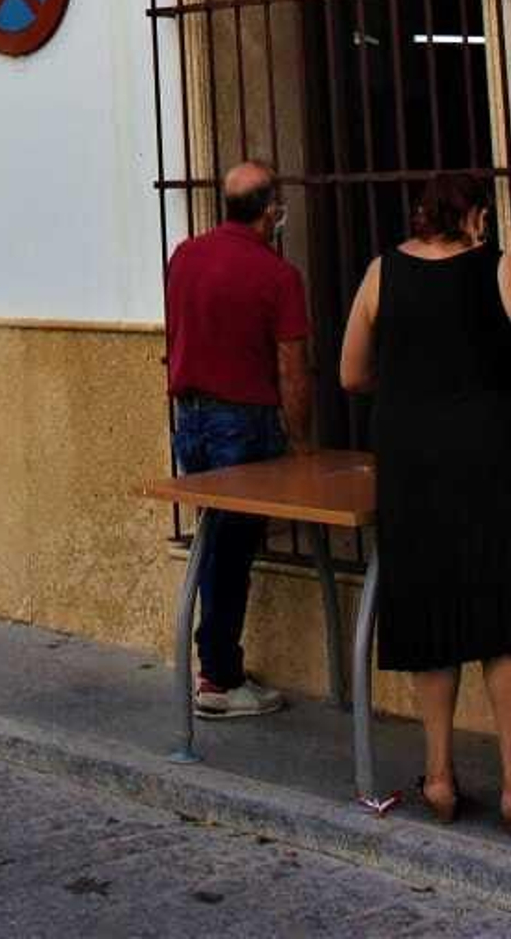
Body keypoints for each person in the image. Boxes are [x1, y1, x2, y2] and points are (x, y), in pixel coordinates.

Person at [339, 171, 511, 834]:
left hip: (415, 465)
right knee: (507, 617)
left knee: (432, 615)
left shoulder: (382, 273)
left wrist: (417, 385)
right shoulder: (505, 271)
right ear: (475, 216)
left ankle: (439, 779)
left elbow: (352, 373)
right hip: (500, 462)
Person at [165, 160, 313, 716]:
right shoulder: (278, 276)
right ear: (271, 211)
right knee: (230, 552)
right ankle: (219, 678)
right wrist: (301, 442)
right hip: (243, 422)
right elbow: (292, 367)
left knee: (213, 543)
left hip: (191, 419)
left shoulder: (184, 257)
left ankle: (217, 666)